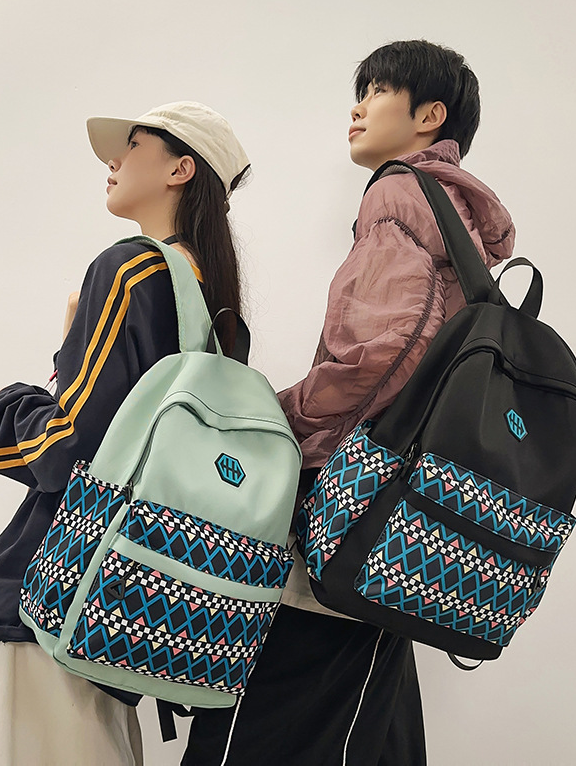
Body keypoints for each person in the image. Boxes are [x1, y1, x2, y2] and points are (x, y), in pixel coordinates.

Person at [180, 40, 516, 766]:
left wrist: (278, 418)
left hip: (348, 490)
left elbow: (384, 349)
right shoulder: (456, 217)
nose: (357, 109)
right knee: (365, 711)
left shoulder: (398, 194)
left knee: (269, 713)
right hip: (403, 502)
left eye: (377, 91)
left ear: (430, 115)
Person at [0, 101, 251, 766]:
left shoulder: (129, 269)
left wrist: (11, 405)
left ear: (180, 170)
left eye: (132, 145)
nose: (113, 160)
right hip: (118, 615)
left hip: (44, 603)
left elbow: (68, 450)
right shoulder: (216, 309)